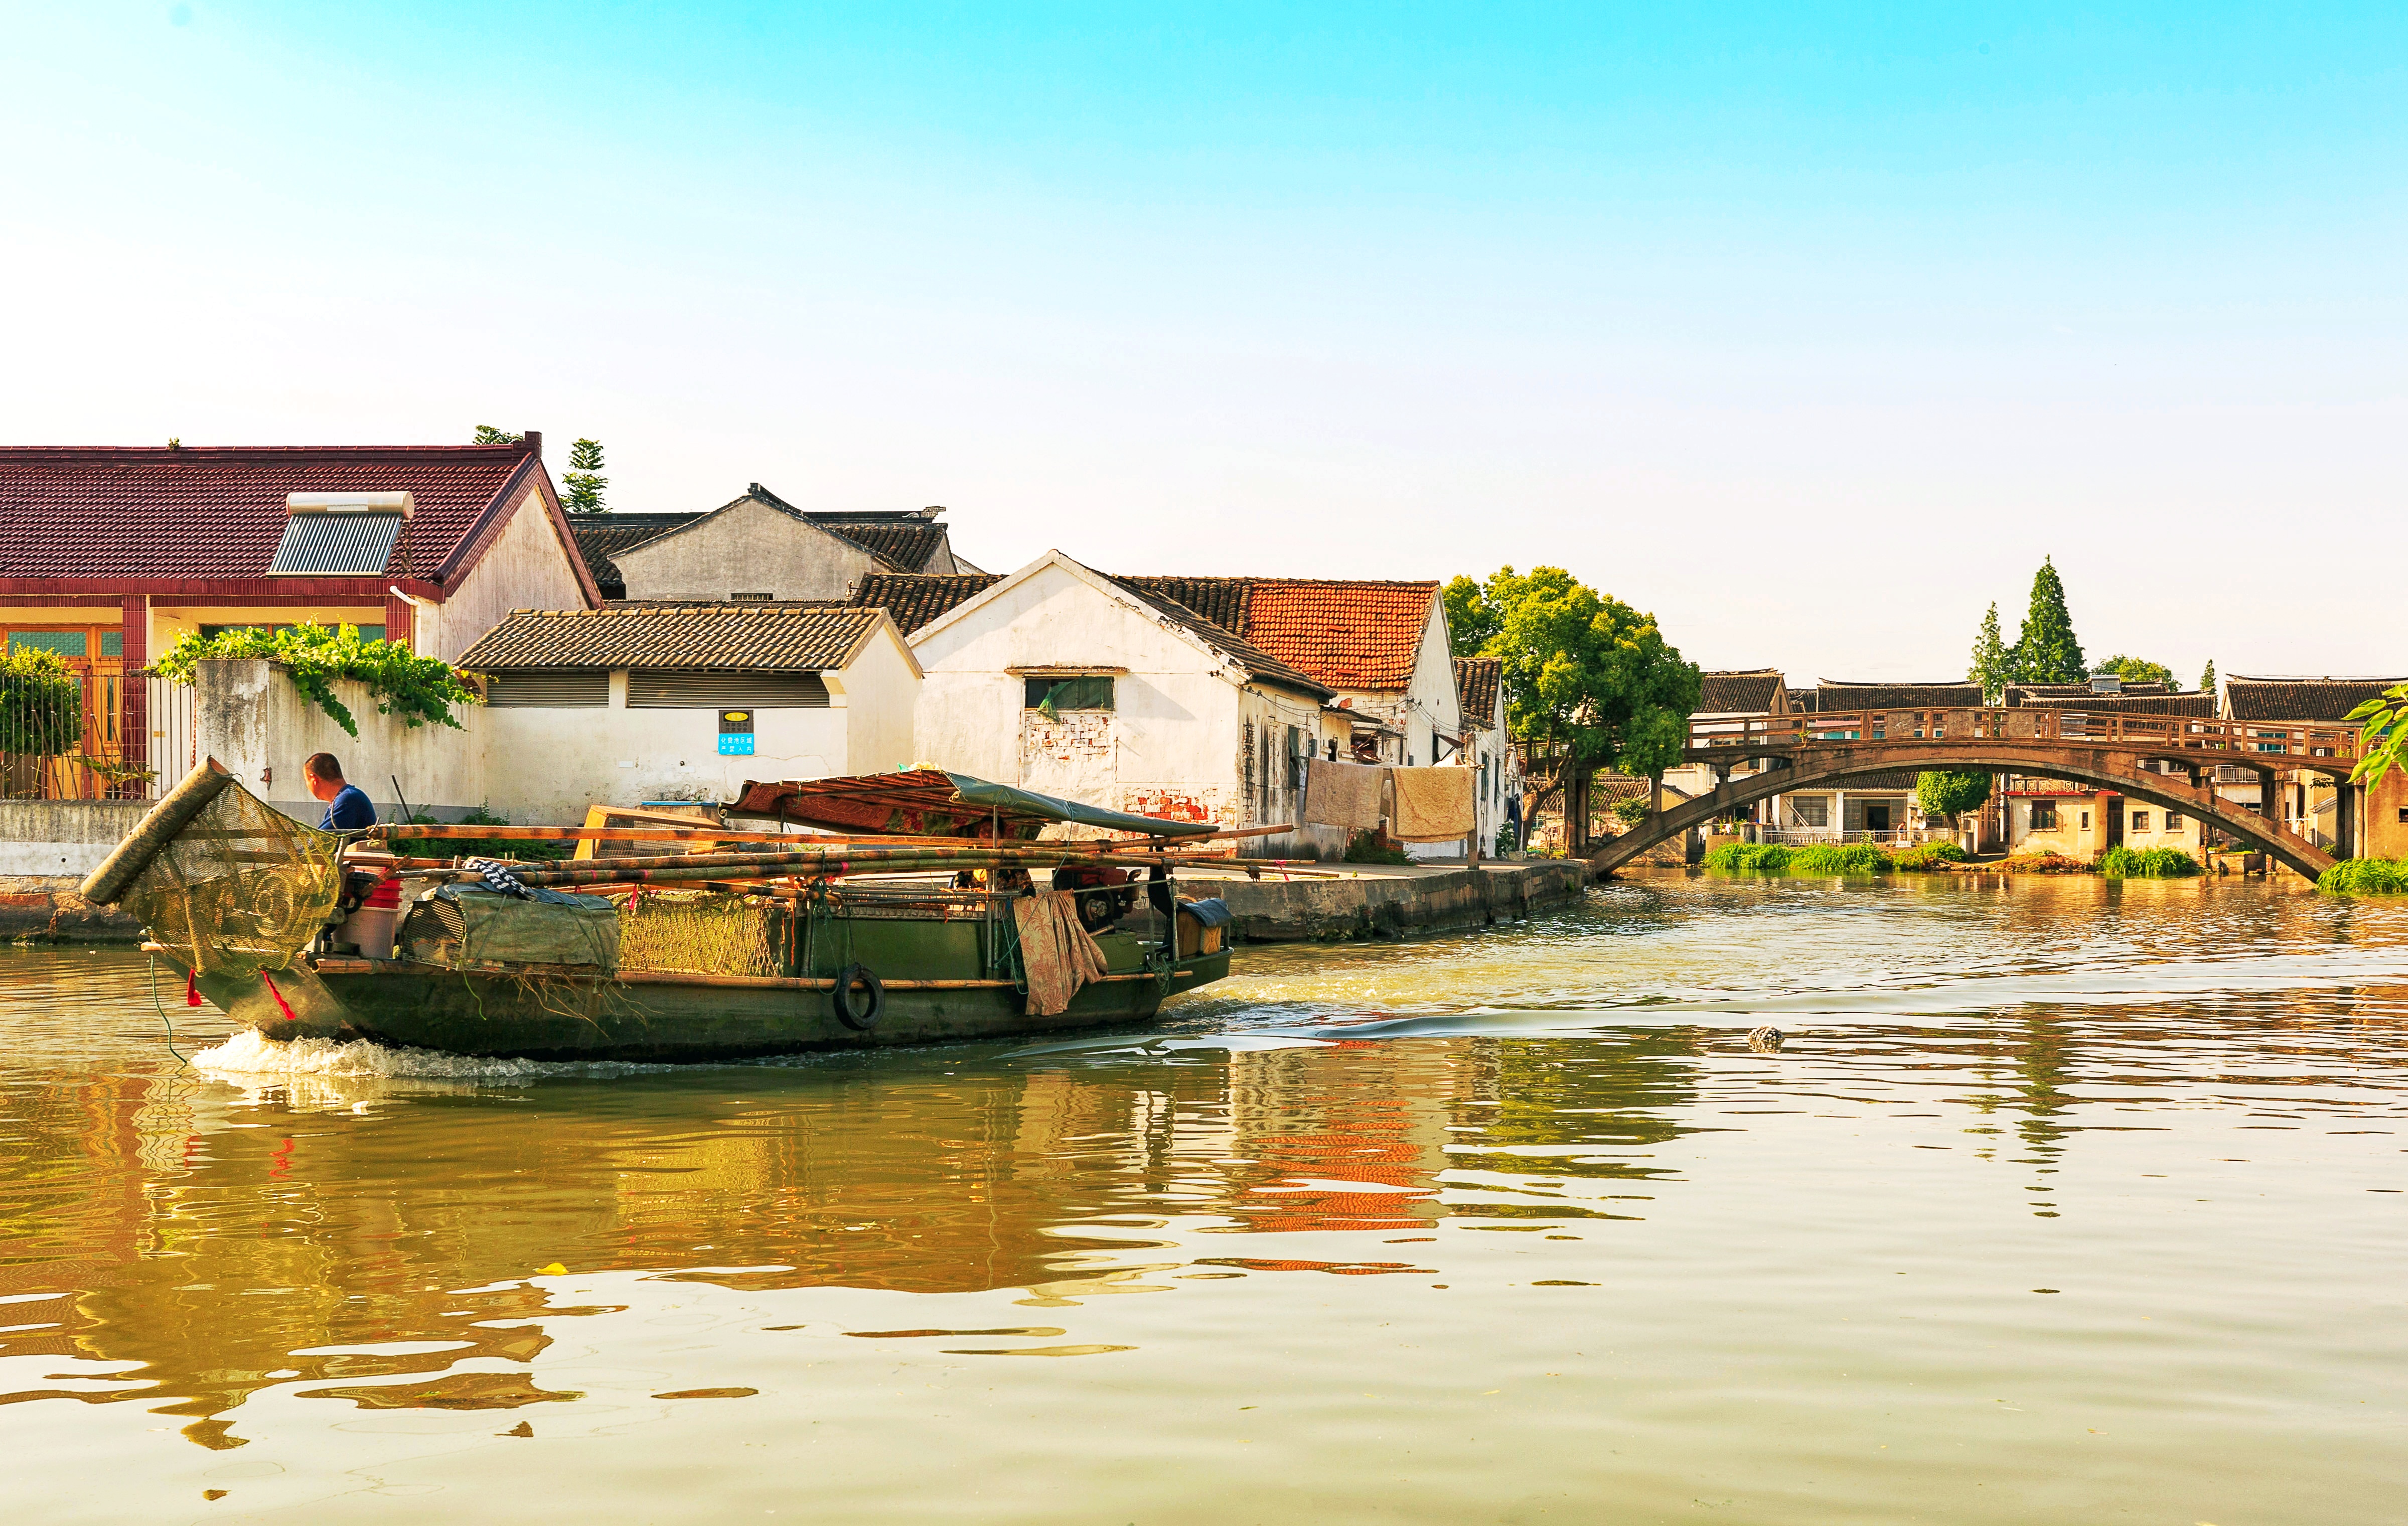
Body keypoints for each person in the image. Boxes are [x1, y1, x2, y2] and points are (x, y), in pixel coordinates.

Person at [304, 752, 378, 830]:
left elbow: (322, 840)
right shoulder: (347, 797)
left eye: (306, 780)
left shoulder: (348, 799)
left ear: (314, 779)